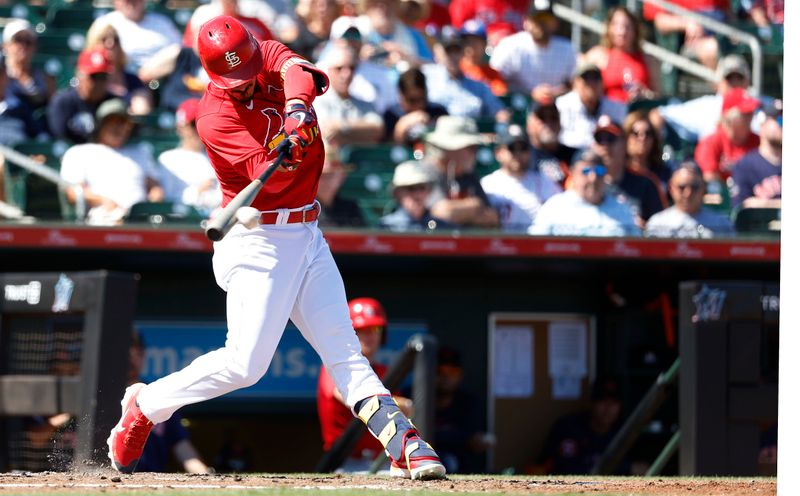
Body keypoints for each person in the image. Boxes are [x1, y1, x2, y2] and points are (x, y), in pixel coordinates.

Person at [106, 16, 446, 481]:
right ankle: (146, 405)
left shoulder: (260, 51)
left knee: (345, 351)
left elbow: (299, 73)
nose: (245, 86)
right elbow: (277, 176)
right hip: (257, 238)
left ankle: (403, 440)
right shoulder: (214, 118)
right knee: (245, 365)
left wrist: (299, 108)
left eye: (247, 75)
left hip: (307, 231)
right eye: (235, 82)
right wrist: (289, 143)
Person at [317, 297, 413, 472]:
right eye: (360, 329)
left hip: (382, 459)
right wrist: (405, 404)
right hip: (345, 462)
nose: (369, 335)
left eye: (374, 328)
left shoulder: (385, 371)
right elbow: (348, 396)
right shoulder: (334, 368)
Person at [60, 98, 164, 225]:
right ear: (101, 124)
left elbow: (155, 187)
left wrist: (149, 207)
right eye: (113, 122)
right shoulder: (80, 152)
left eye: (124, 123)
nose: (119, 128)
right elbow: (73, 193)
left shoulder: (140, 152)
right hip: (101, 220)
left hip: (140, 221)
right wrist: (104, 201)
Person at [128, 333, 210, 473]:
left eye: (138, 353)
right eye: (127, 353)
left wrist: (205, 475)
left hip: (150, 481)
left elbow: (181, 445)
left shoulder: (158, 394)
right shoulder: (97, 396)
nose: (132, 359)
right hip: (104, 478)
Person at [530, 149, 640, 237]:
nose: (593, 178)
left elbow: (636, 250)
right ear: (572, 173)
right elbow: (534, 247)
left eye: (599, 171)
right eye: (586, 171)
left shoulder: (622, 210)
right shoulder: (554, 208)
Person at [651, 54, 755, 143]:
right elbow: (660, 113)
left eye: (739, 78)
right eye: (729, 79)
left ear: (747, 82)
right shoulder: (708, 106)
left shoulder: (757, 104)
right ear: (719, 82)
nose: (734, 83)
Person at [534, 377, 625, 475]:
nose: (608, 408)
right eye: (602, 401)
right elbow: (564, 469)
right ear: (592, 402)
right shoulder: (569, 427)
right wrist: (626, 468)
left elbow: (639, 468)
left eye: (614, 402)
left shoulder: (625, 431)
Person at [480, 124, 562, 232]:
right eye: (512, 148)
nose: (518, 154)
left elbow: (562, 211)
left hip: (535, 243)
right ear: (498, 153)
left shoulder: (543, 181)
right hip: (501, 244)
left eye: (523, 148)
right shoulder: (488, 184)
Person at [489, 0, 576, 101]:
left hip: (555, 110)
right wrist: (529, 94)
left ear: (555, 23)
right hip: (518, 109)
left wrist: (555, 92)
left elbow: (575, 83)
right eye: (536, 18)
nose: (541, 23)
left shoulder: (567, 48)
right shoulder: (510, 46)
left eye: (546, 18)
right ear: (526, 21)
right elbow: (493, 81)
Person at [423, 116, 500, 229]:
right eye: (471, 147)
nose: (475, 153)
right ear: (450, 149)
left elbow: (492, 218)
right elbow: (442, 213)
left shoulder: (469, 175)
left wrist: (461, 213)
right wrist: (475, 205)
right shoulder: (427, 171)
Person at [593, 116, 667, 225]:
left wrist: (645, 228)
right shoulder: (586, 181)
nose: (605, 146)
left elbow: (662, 227)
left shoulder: (645, 183)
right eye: (600, 140)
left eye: (610, 139)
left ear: (624, 144)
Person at [422, 29, 509, 122]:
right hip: (437, 133)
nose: (453, 56)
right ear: (440, 52)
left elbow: (499, 111)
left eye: (457, 51)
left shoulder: (477, 86)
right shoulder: (427, 76)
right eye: (449, 51)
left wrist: (502, 121)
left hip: (470, 134)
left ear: (463, 53)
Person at [433, 347, 494, 474]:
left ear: (460, 375)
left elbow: (473, 439)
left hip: (458, 465)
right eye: (440, 372)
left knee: (449, 461)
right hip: (421, 458)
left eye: (452, 372)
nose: (445, 377)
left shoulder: (468, 402)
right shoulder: (414, 395)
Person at [157, 98, 222, 215]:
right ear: (180, 128)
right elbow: (168, 200)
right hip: (183, 223)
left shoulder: (219, 157)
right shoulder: (168, 159)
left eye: (202, 123)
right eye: (193, 124)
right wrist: (198, 191)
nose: (199, 129)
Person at [582, 7, 659, 104]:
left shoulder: (648, 60)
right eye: (616, 25)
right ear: (609, 28)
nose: (621, 31)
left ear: (635, 30)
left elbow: (657, 97)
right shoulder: (598, 55)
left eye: (627, 26)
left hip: (638, 113)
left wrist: (645, 94)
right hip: (606, 113)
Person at [314, 45, 385, 147]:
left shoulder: (365, 104)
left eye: (351, 68)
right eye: (339, 68)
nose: (346, 74)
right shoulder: (318, 102)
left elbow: (377, 128)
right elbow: (327, 131)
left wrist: (342, 128)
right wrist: (360, 133)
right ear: (329, 70)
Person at [645, 161, 734, 238]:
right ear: (671, 188)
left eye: (694, 187)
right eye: (682, 187)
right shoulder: (657, 224)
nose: (688, 194)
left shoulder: (721, 225)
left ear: (703, 188)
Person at [46, 48, 116, 144]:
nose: (99, 83)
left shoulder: (113, 103)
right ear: (79, 75)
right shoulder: (63, 102)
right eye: (94, 77)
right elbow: (59, 142)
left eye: (103, 77)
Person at [85, 21, 153, 115]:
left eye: (115, 39)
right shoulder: (87, 79)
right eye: (104, 39)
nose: (111, 43)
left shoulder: (132, 80)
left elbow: (142, 111)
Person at [93, 0, 182, 72]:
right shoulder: (105, 23)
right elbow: (94, 57)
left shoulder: (163, 22)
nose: (132, 2)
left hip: (164, 79)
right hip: (123, 81)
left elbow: (181, 50)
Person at [694, 87, 760, 183]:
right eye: (745, 113)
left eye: (751, 113)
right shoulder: (711, 142)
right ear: (729, 116)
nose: (750, 117)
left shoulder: (759, 141)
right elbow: (709, 178)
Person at [556, 62, 627, 150]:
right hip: (570, 154)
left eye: (595, 78)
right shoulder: (562, 105)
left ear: (602, 83)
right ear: (575, 83)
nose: (591, 83)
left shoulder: (617, 107)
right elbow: (561, 138)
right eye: (586, 78)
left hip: (603, 155)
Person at [642, 0, 727, 70]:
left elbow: (728, 11)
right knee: (710, 48)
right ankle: (723, 89)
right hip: (688, 40)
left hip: (720, 32)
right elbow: (660, 21)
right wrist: (687, 24)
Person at [730, 101, 782, 208]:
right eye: (780, 120)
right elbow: (741, 208)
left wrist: (764, 203)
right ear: (762, 124)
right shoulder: (745, 166)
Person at [383, 67, 448, 147]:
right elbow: (387, 148)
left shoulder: (438, 112)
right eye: (412, 100)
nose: (419, 104)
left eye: (422, 98)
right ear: (401, 96)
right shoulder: (391, 115)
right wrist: (402, 126)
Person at [380, 160, 451, 231]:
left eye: (422, 187)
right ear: (398, 193)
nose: (418, 195)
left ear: (429, 191)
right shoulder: (385, 227)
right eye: (411, 188)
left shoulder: (444, 228)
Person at [2, 18, 54, 114]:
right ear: (5, 46)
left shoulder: (44, 78)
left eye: (28, 41)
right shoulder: (2, 76)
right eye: (18, 40)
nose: (23, 45)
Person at [526, 97, 576, 189]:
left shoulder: (575, 155)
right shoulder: (523, 156)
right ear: (529, 124)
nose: (548, 123)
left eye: (553, 118)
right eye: (542, 118)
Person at [316, 150, 367, 228]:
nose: (326, 181)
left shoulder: (351, 208)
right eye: (321, 175)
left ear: (342, 177)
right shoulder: (304, 209)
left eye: (331, 175)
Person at [623, 110, 673, 190]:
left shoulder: (663, 173)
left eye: (648, 133)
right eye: (636, 133)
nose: (642, 138)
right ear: (626, 138)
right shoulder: (619, 172)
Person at [457, 20, 508, 97]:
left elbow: (500, 95)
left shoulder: (492, 74)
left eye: (475, 41)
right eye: (467, 40)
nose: (471, 44)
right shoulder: (456, 66)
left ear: (484, 44)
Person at [448, 0, 528, 47]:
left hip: (518, 54)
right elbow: (458, 34)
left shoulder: (525, 2)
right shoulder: (465, 2)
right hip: (483, 54)